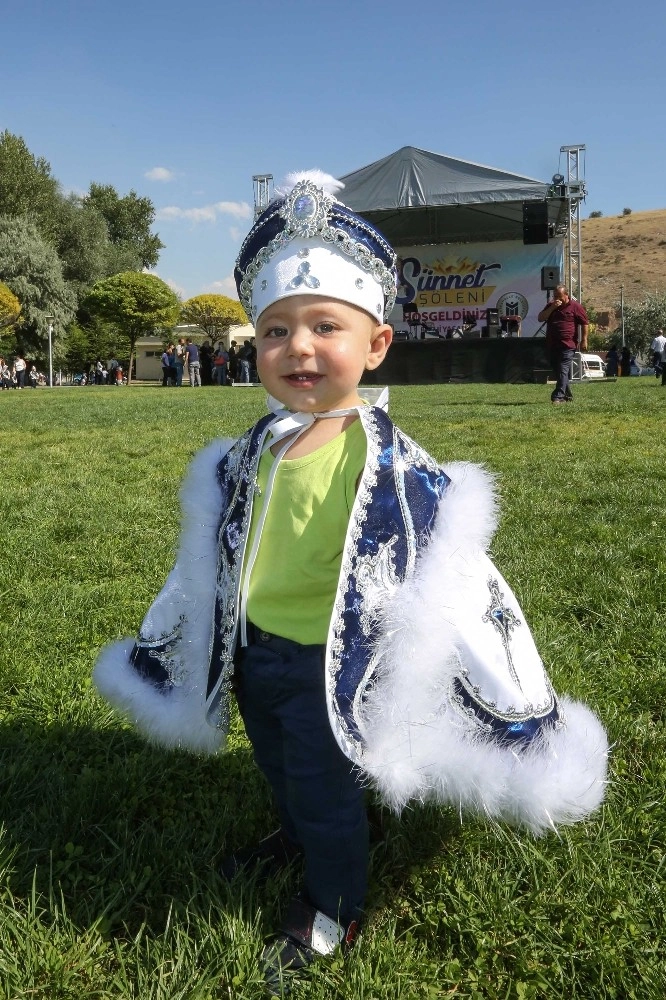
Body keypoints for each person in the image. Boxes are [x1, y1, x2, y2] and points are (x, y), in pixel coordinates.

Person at [94, 173, 607, 989]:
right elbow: (211, 555)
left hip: (335, 661)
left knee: (327, 779)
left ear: (374, 345)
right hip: (257, 648)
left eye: (324, 326)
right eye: (276, 331)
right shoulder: (250, 451)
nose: (298, 348)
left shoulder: (391, 465)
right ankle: (296, 831)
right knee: (275, 757)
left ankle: (335, 900)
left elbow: (452, 572)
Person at [537, 285, 588, 403]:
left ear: (566, 295)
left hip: (568, 344)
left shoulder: (575, 307)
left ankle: (558, 396)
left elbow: (585, 323)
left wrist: (584, 340)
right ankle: (567, 395)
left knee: (563, 369)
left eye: (559, 296)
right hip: (553, 344)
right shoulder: (551, 305)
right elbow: (540, 318)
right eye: (555, 296)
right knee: (558, 370)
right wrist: (552, 308)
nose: (557, 299)